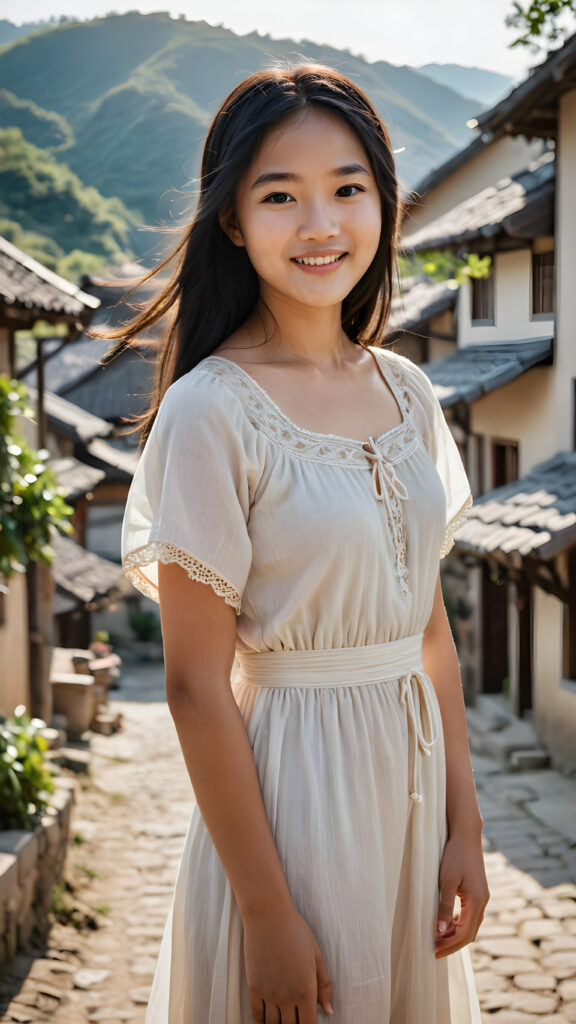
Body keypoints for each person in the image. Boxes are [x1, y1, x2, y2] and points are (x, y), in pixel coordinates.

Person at [113, 62, 489, 1023]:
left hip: (410, 808)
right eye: (281, 195)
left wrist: (466, 825)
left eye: (347, 189)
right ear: (233, 221)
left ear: (383, 202)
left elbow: (428, 632)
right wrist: (267, 910)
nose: (321, 225)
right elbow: (196, 687)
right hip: (293, 808)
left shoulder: (407, 391)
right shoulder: (210, 411)